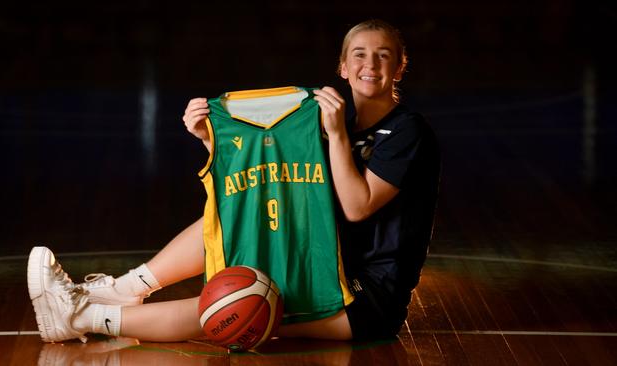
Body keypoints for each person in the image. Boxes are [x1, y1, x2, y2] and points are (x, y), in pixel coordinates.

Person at [27, 18, 439, 343]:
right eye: (360, 55)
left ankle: (82, 316)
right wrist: (212, 141)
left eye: (384, 55)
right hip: (324, 266)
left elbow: (356, 205)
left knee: (228, 305)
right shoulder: (340, 127)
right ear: (343, 68)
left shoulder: (407, 131)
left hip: (366, 298)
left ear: (400, 66)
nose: (371, 65)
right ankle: (125, 288)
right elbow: (271, 185)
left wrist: (336, 135)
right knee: (238, 213)